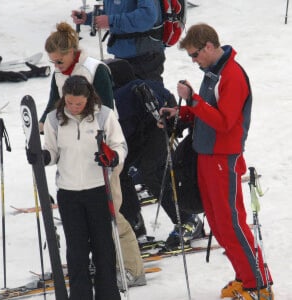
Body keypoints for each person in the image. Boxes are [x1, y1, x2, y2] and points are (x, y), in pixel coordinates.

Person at [158, 23, 274, 299]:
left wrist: (194, 101)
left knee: (232, 222)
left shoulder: (232, 74)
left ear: (209, 47)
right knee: (218, 223)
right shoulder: (212, 72)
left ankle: (258, 284)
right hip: (205, 155)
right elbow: (208, 113)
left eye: (195, 55)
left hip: (224, 158)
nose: (194, 61)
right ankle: (244, 277)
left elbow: (224, 122)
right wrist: (182, 113)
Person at [39, 22, 146, 288]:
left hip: (103, 153)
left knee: (112, 216)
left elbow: (105, 111)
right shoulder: (59, 74)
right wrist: (42, 126)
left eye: (59, 60)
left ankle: (132, 268)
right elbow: (54, 104)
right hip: (75, 161)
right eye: (52, 62)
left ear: (71, 51)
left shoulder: (95, 70)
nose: (56, 66)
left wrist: (108, 153)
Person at [43, 75, 126, 299]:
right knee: (76, 249)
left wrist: (112, 156)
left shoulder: (104, 115)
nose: (74, 107)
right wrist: (43, 156)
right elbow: (52, 152)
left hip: (98, 189)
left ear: (88, 98)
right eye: (69, 102)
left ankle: (107, 294)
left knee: (103, 247)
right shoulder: (54, 119)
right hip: (69, 192)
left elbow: (120, 145)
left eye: (79, 103)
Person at [106, 58, 204, 248]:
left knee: (150, 173)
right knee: (125, 173)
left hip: (148, 132)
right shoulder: (146, 85)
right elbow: (169, 99)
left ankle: (186, 220)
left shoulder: (119, 97)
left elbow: (119, 129)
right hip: (155, 129)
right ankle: (135, 224)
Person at [71, 0, 165, 81]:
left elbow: (147, 17)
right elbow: (115, 12)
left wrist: (111, 21)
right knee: (124, 98)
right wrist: (89, 18)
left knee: (148, 98)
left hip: (145, 56)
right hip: (122, 56)